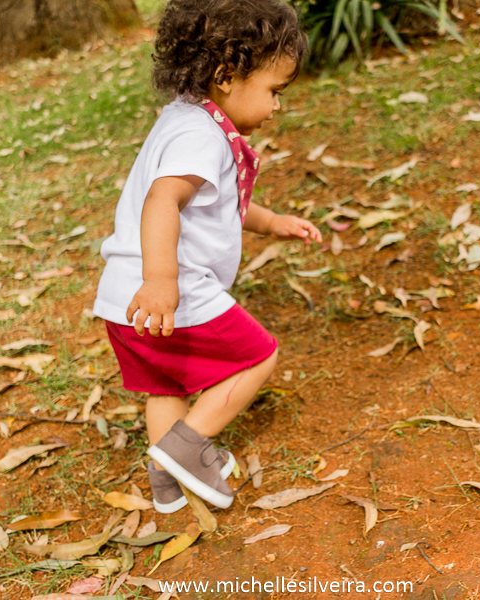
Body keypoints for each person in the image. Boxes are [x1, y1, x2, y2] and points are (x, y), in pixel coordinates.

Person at [93, 0, 320, 513]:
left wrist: (271, 222)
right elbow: (163, 200)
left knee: (166, 384)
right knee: (258, 357)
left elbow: (215, 201)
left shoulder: (184, 118)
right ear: (226, 75)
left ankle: (167, 483)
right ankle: (185, 450)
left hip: (121, 295)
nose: (277, 107)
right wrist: (162, 280)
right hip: (170, 288)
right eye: (274, 91)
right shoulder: (201, 136)